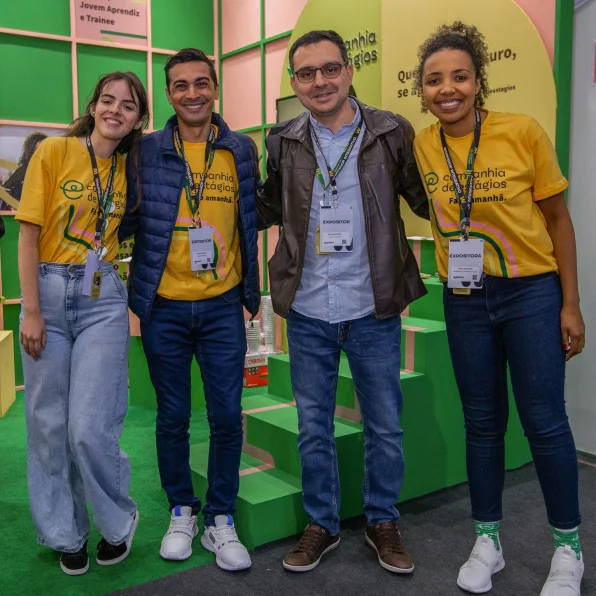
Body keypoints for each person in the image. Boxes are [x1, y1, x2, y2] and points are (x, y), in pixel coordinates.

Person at [412, 22, 586, 596]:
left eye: (459, 76)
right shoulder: (423, 143)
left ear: (479, 81)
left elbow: (559, 221)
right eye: (434, 80)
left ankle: (568, 549)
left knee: (545, 421)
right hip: (463, 298)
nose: (447, 89)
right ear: (423, 90)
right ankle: (488, 540)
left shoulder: (522, 132)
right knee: (482, 425)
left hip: (530, 292)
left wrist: (571, 304)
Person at [257, 30, 429, 573]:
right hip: (308, 306)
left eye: (329, 69)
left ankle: (382, 520)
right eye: (306, 73)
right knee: (313, 425)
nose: (319, 82)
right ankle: (322, 524)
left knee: (385, 424)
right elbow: (266, 204)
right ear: (294, 83)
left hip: (373, 305)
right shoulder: (281, 140)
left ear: (349, 71)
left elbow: (425, 199)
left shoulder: (390, 132)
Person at [118, 48, 261, 571]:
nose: (193, 93)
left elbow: (252, 216)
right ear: (169, 94)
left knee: (226, 416)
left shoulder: (242, 150)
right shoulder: (146, 150)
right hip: (166, 308)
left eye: (202, 83)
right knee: (173, 417)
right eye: (181, 85)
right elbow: (127, 214)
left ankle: (220, 517)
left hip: (223, 306)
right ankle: (183, 509)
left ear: (215, 88)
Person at [16, 72, 148, 576]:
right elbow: (28, 235)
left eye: (129, 105)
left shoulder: (131, 168)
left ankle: (117, 520)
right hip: (46, 292)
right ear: (93, 107)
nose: (116, 110)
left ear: (138, 119)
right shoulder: (53, 152)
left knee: (90, 426)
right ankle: (65, 532)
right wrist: (30, 310)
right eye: (108, 100)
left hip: (103, 298)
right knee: (48, 424)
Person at [1, 132, 48, 210]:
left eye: (43, 149)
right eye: (36, 149)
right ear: (30, 151)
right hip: (20, 215)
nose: (40, 153)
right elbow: (5, 190)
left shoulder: (50, 170)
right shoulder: (24, 170)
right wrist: (12, 206)